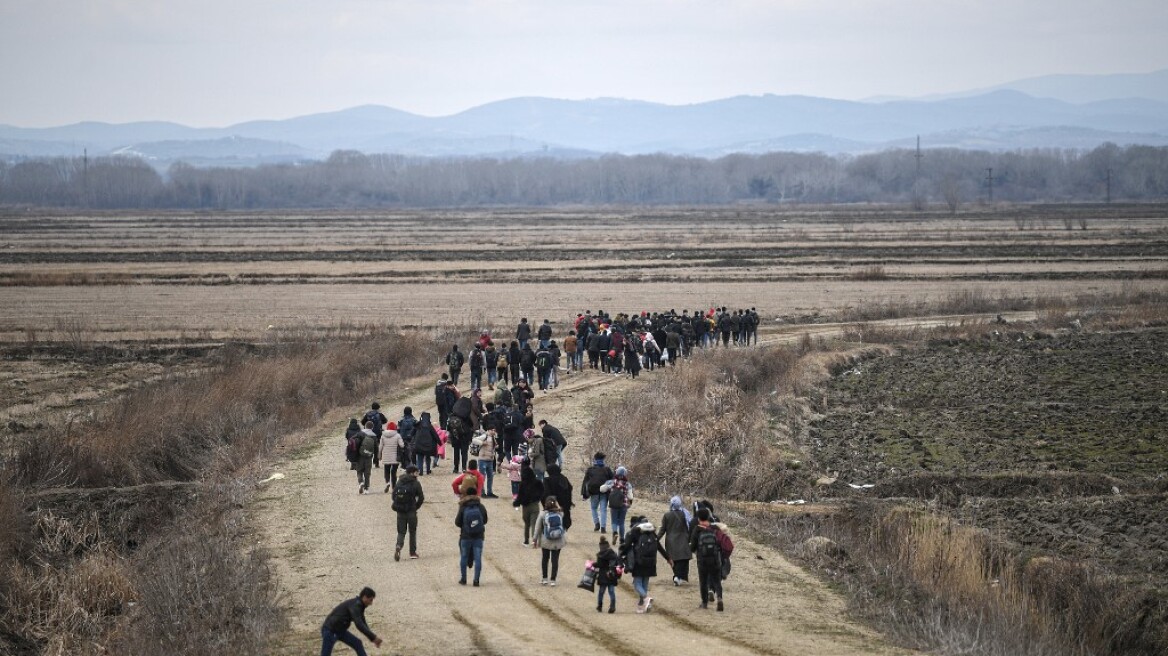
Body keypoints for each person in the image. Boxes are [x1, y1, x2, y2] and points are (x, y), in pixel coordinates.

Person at [620, 516, 667, 613]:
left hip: (639, 562)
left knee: (637, 584)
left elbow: (627, 546)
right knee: (644, 584)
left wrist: (620, 555)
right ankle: (642, 606)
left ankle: (646, 598)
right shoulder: (653, 534)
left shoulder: (635, 533)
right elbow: (660, 547)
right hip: (651, 563)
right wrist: (668, 558)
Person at [320, 587, 382, 655]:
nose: (371, 603)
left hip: (340, 631)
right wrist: (374, 637)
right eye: (370, 600)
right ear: (364, 597)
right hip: (330, 630)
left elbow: (363, 623)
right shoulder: (355, 606)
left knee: (357, 643)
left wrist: (373, 638)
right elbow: (359, 624)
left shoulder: (359, 606)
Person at [690, 507, 726, 611]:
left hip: (702, 560)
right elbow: (721, 543)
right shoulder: (715, 528)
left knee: (703, 581)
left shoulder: (697, 529)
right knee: (717, 580)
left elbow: (692, 547)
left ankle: (704, 603)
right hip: (715, 559)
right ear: (708, 517)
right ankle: (719, 598)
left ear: (698, 518)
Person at [455, 489, 488, 586]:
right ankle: (476, 580)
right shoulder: (480, 506)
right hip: (478, 536)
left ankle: (463, 579)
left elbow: (457, 522)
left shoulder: (463, 506)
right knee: (478, 558)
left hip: (465, 536)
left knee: (464, 557)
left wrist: (465, 526)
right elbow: (485, 520)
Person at [391, 464, 424, 561]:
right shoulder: (416, 483)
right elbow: (421, 498)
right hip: (411, 511)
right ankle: (412, 553)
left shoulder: (399, 481)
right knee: (412, 531)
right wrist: (416, 506)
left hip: (400, 511)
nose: (417, 474)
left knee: (401, 532)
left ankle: (398, 546)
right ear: (412, 473)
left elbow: (393, 496)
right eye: (416, 472)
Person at [659, 496, 693, 586]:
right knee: (683, 560)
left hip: (671, 541)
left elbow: (662, 530)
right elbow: (690, 526)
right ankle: (679, 577)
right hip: (684, 540)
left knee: (674, 560)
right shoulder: (685, 514)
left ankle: (677, 576)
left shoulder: (667, 515)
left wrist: (656, 539)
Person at [533, 496, 567, 586]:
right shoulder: (560, 513)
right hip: (558, 541)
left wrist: (534, 539)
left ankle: (544, 579)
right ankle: (553, 580)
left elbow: (537, 528)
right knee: (555, 560)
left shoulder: (542, 514)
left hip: (546, 540)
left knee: (545, 559)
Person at [581, 452, 614, 533]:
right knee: (603, 510)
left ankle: (596, 523)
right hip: (604, 492)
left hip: (593, 492)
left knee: (593, 508)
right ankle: (603, 527)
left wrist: (584, 494)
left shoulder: (590, 470)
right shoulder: (607, 469)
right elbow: (613, 480)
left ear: (595, 460)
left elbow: (585, 482)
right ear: (603, 460)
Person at [514, 464, 544, 546]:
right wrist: (538, 499)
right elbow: (542, 492)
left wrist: (516, 503)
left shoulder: (522, 484)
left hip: (525, 506)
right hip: (534, 505)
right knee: (535, 523)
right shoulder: (538, 482)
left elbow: (519, 496)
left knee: (527, 524)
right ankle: (535, 541)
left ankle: (526, 541)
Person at [603, 466, 634, 543]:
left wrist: (607, 486)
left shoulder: (612, 482)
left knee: (614, 521)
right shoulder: (627, 484)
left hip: (613, 504)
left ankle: (615, 533)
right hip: (623, 505)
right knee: (621, 522)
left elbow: (602, 489)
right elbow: (630, 496)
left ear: (616, 473)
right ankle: (622, 539)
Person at [542, 463, 574, 531]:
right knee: (563, 523)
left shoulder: (547, 480)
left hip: (552, 506)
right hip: (565, 506)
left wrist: (546, 505)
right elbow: (570, 489)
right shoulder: (564, 478)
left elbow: (545, 494)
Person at [595, 536, 620, 613]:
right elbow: (617, 563)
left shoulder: (600, 555)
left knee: (601, 591)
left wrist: (592, 564)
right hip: (612, 574)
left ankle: (600, 606)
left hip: (603, 575)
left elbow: (599, 565)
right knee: (611, 591)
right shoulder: (613, 553)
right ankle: (612, 606)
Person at [378, 422, 405, 493]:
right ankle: (394, 487)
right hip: (395, 456)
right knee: (394, 472)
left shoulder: (383, 435)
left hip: (386, 456)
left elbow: (380, 447)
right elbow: (402, 445)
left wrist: (379, 455)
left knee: (386, 470)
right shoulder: (397, 435)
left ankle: (387, 482)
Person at [356, 422, 379, 494]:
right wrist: (376, 459)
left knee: (359, 471)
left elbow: (356, 444)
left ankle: (361, 482)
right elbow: (376, 448)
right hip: (369, 457)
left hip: (360, 456)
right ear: (372, 427)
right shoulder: (374, 436)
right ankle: (366, 488)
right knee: (367, 473)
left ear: (365, 426)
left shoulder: (360, 434)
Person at [475, 428, 499, 498]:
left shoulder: (493, 437)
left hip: (490, 460)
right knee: (482, 477)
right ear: (488, 430)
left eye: (494, 430)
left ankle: (489, 492)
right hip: (483, 459)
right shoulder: (484, 436)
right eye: (492, 430)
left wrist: (496, 446)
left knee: (490, 477)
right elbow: (474, 440)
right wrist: (482, 443)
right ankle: (482, 492)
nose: (493, 431)